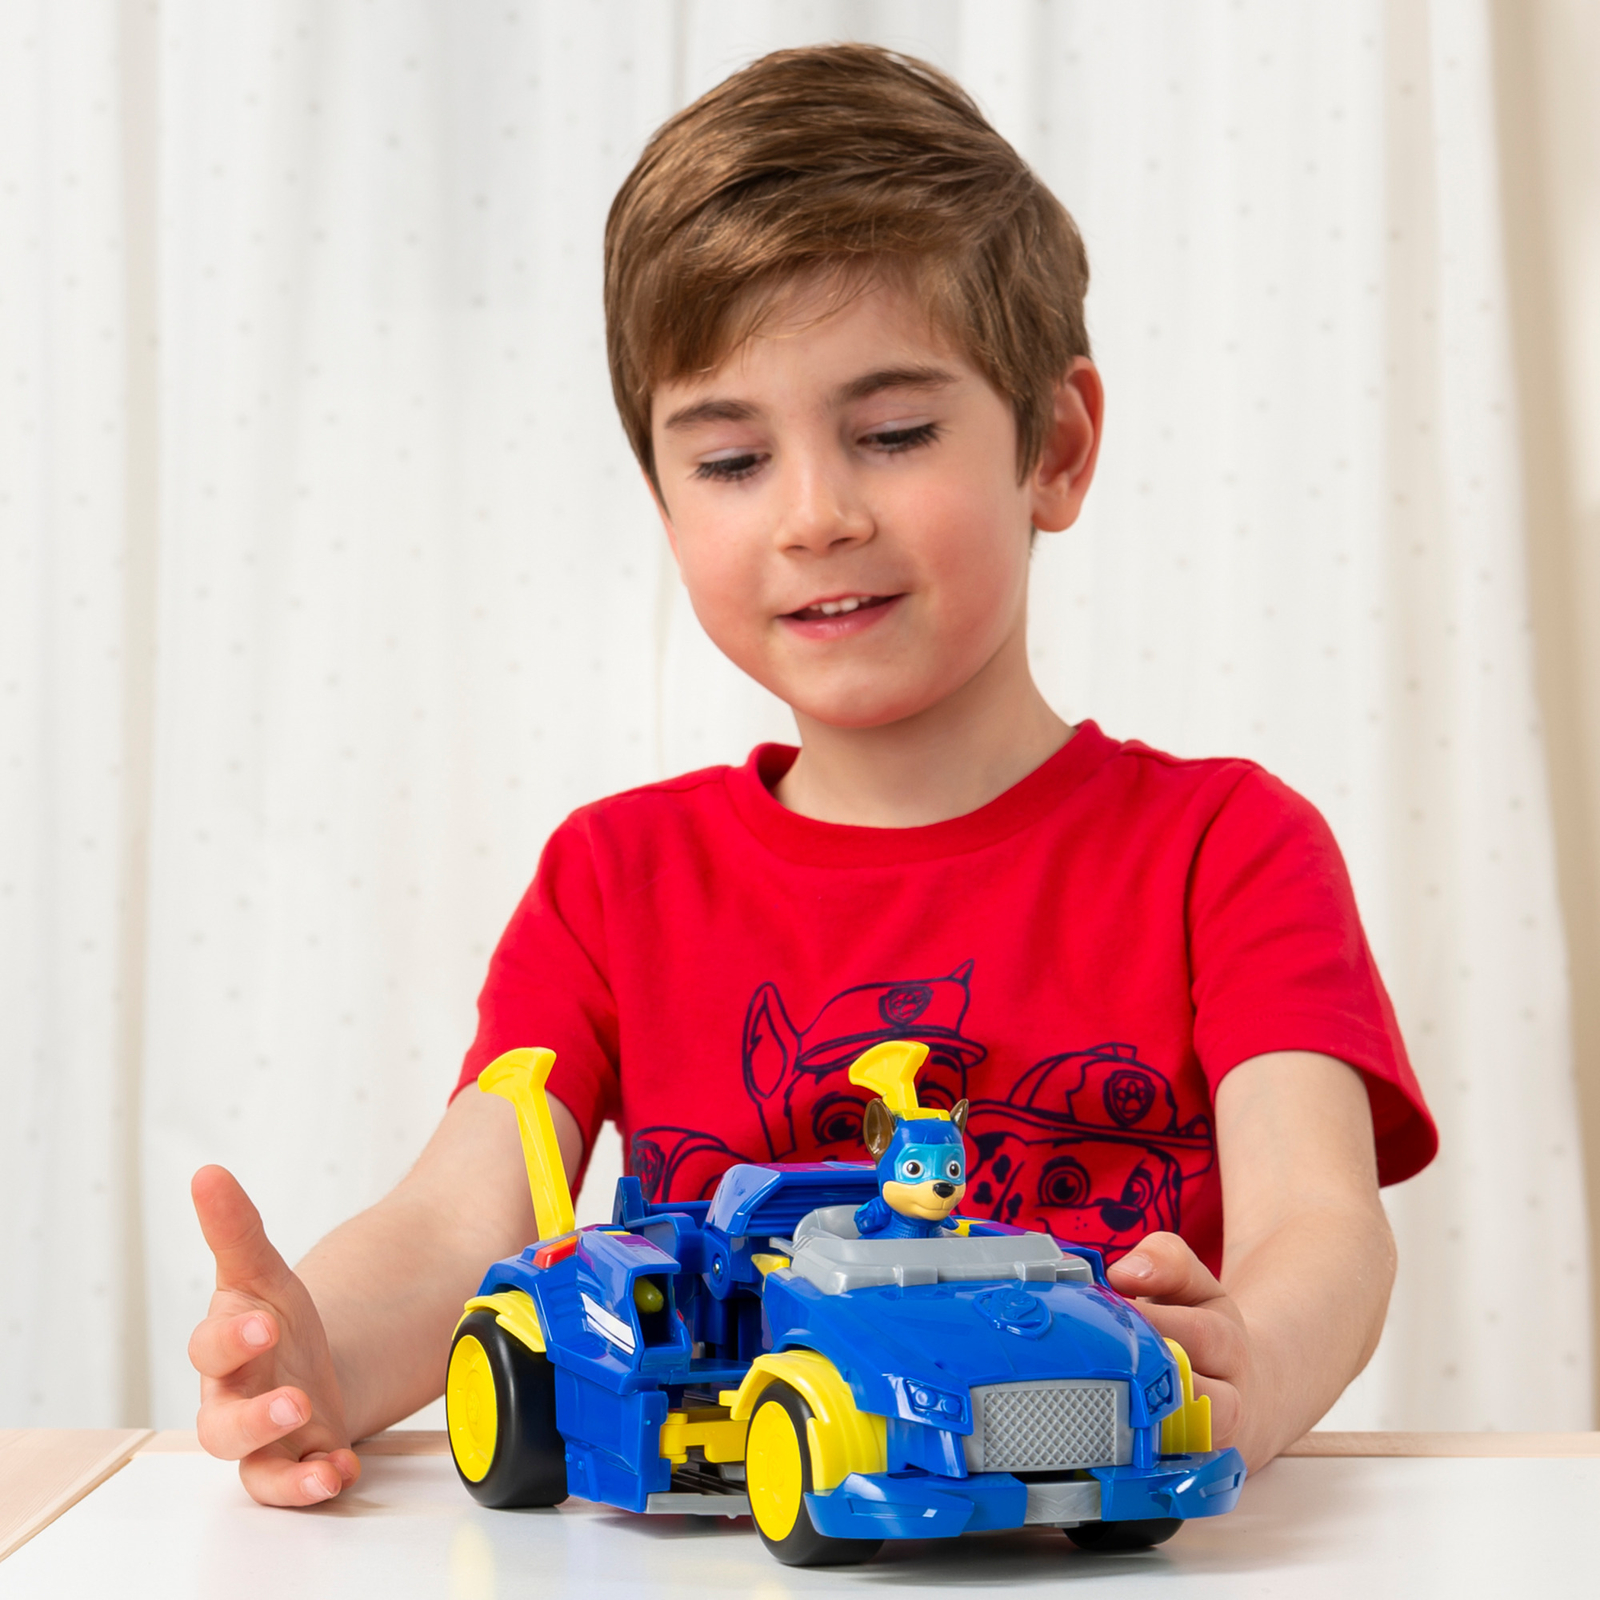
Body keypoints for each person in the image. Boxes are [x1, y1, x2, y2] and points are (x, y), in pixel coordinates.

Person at [187, 43, 1435, 1509]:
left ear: (1055, 446)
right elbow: (460, 1222)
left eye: (892, 435)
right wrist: (318, 1354)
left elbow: (1321, 1224)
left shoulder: (1229, 848)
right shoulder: (614, 882)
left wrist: (1255, 1366)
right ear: (664, 503)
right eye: (731, 461)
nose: (816, 515)